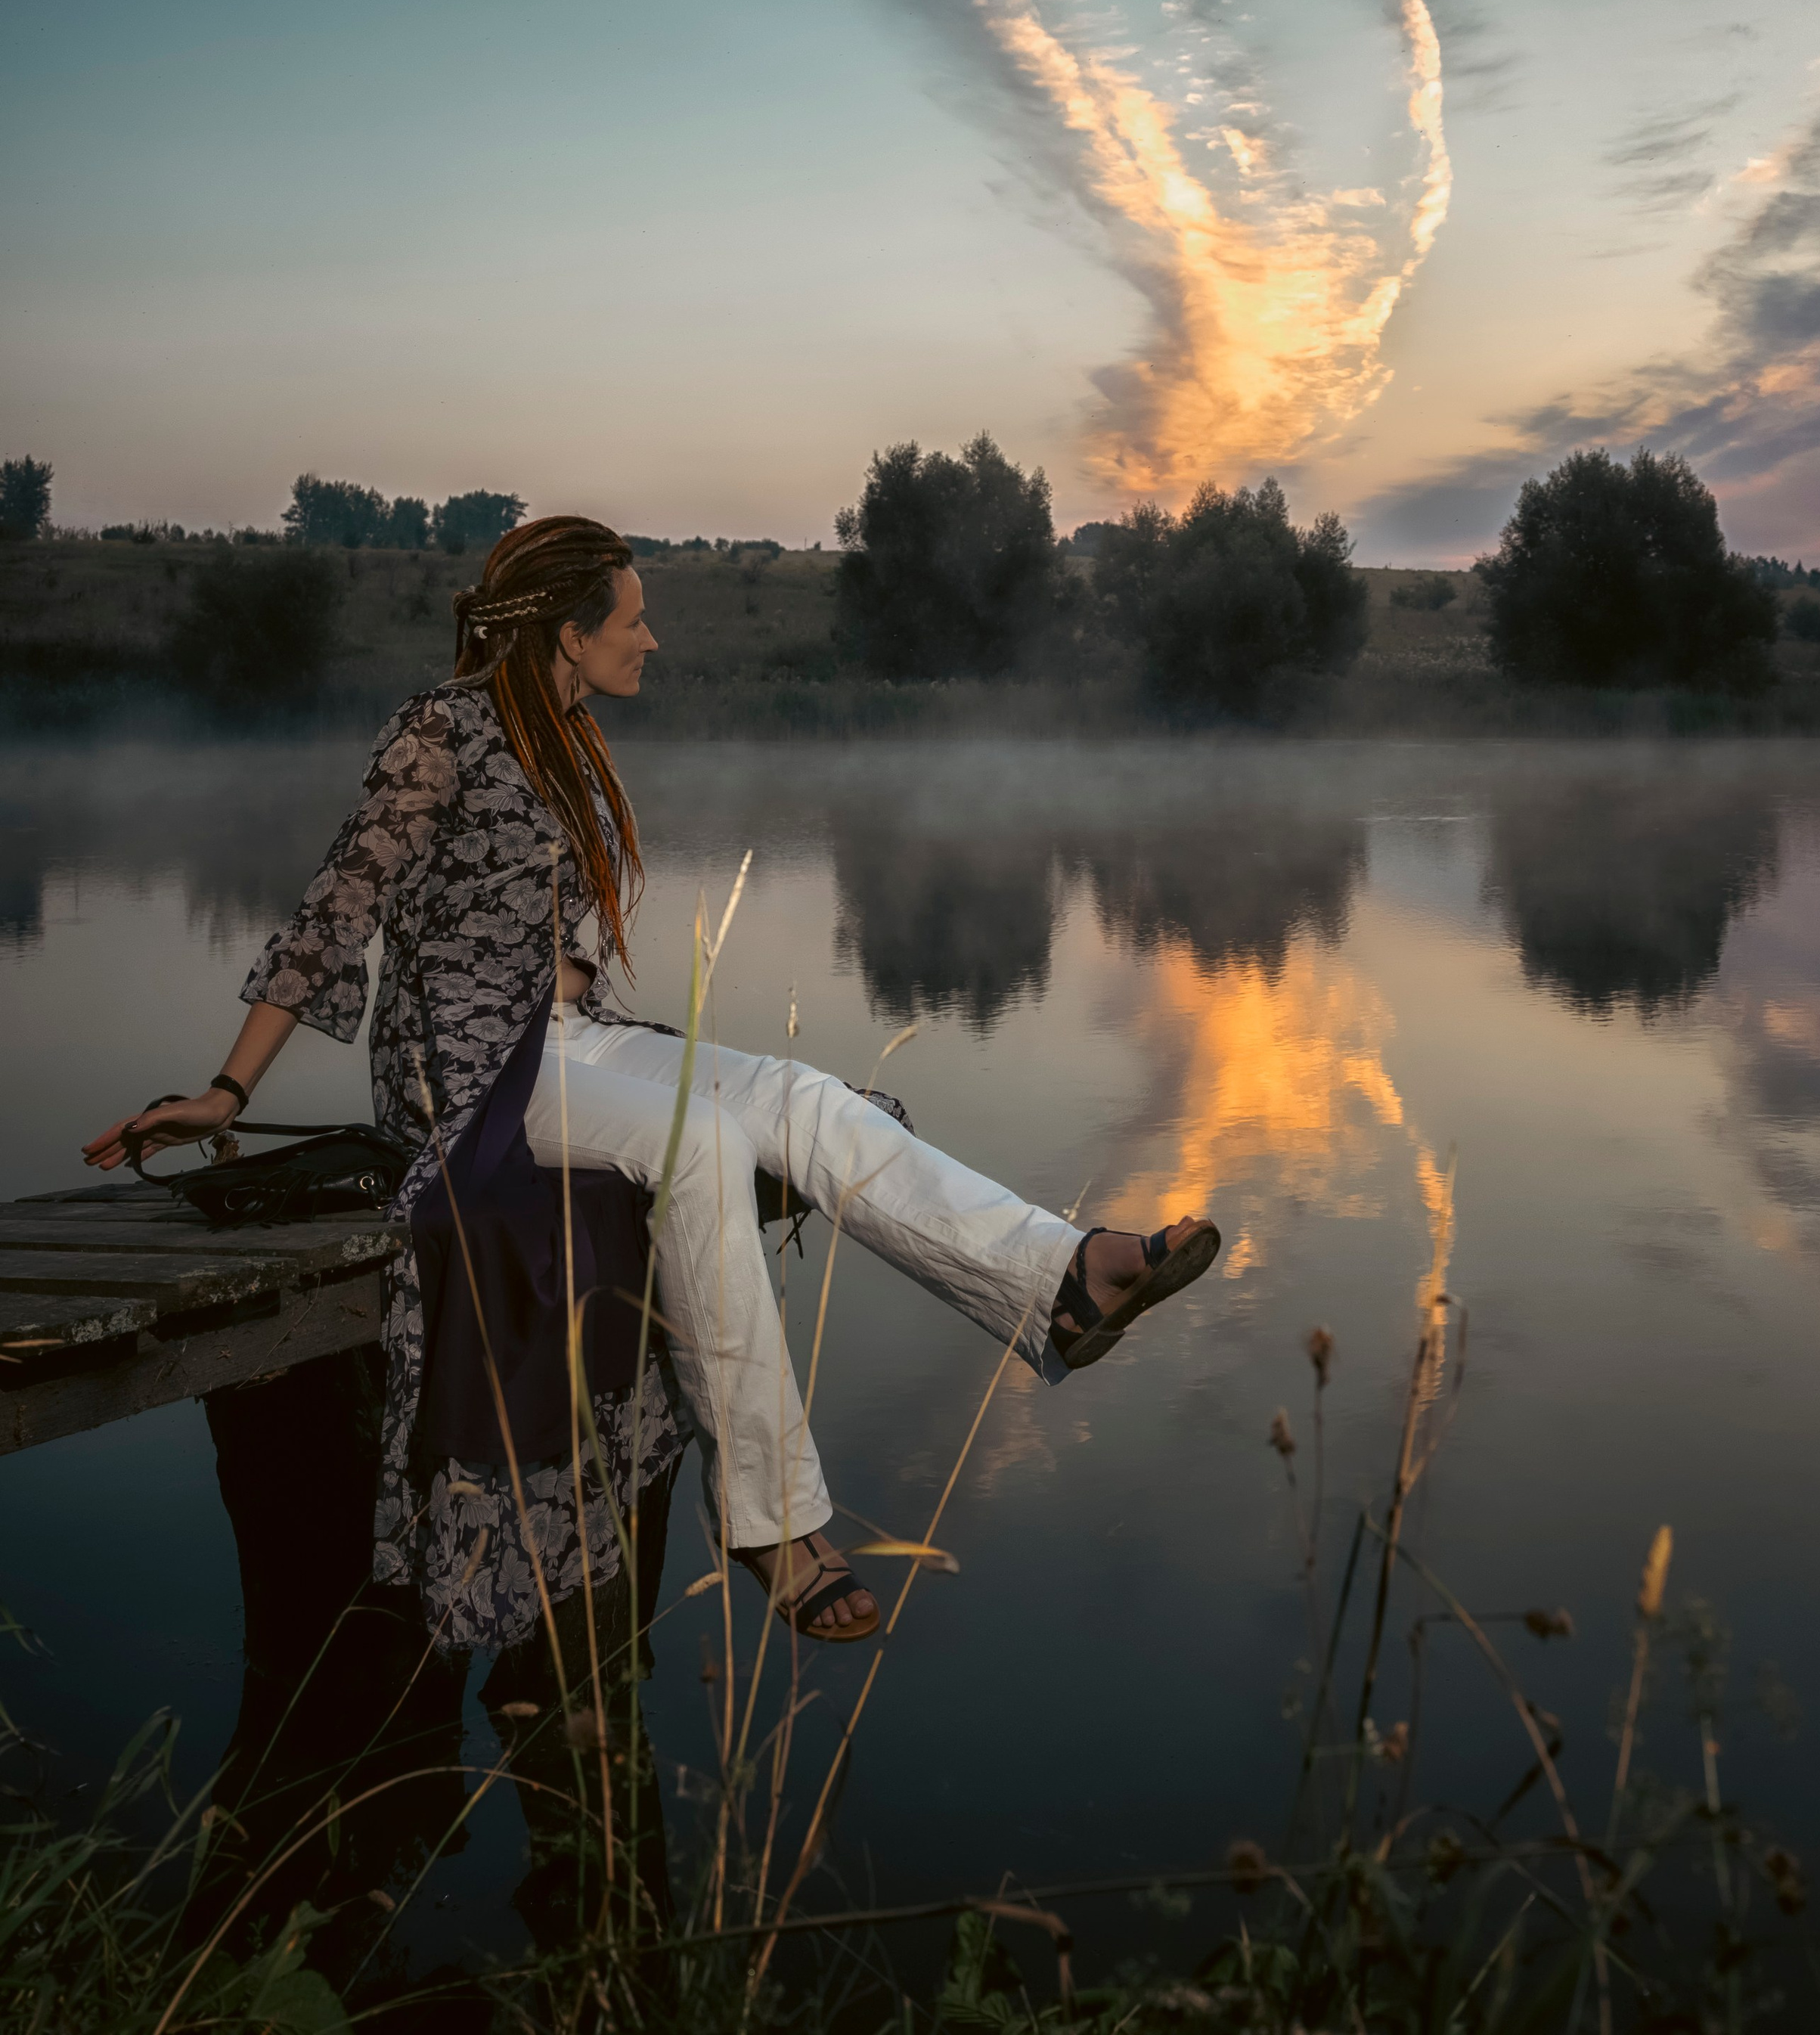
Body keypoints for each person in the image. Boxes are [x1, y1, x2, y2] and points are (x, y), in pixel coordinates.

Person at [83, 517, 1220, 1647]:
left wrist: (564, 979)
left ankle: (1057, 1277)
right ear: (569, 634)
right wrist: (228, 1090)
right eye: (634, 619)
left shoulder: (569, 739)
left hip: (573, 1039)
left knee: (802, 1100)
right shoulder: (439, 729)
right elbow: (339, 906)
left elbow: (555, 933)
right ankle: (773, 1523)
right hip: (471, 1073)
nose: (653, 639)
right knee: (701, 1145)